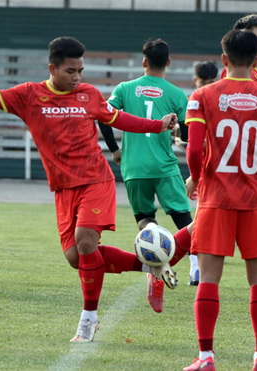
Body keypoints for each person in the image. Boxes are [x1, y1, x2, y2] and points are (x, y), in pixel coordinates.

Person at [0, 37, 185, 343]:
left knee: (85, 242)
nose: (77, 77)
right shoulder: (29, 95)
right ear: (52, 68)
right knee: (77, 258)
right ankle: (151, 266)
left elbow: (118, 119)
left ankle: (88, 320)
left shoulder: (89, 95)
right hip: (63, 189)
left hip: (96, 181)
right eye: (71, 71)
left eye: (80, 70)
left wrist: (157, 125)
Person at [182, 30, 257, 371]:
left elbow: (193, 148)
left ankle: (205, 358)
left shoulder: (202, 95)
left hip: (216, 199)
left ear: (224, 60)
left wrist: (196, 178)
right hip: (256, 201)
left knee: (210, 278)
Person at [99, 38, 192, 313]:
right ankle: (194, 273)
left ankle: (156, 265)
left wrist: (115, 150)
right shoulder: (176, 94)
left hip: (134, 166)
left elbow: (104, 116)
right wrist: (177, 134)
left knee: (146, 222)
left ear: (143, 62)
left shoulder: (125, 88)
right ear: (169, 62)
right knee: (187, 223)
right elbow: (186, 134)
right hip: (164, 166)